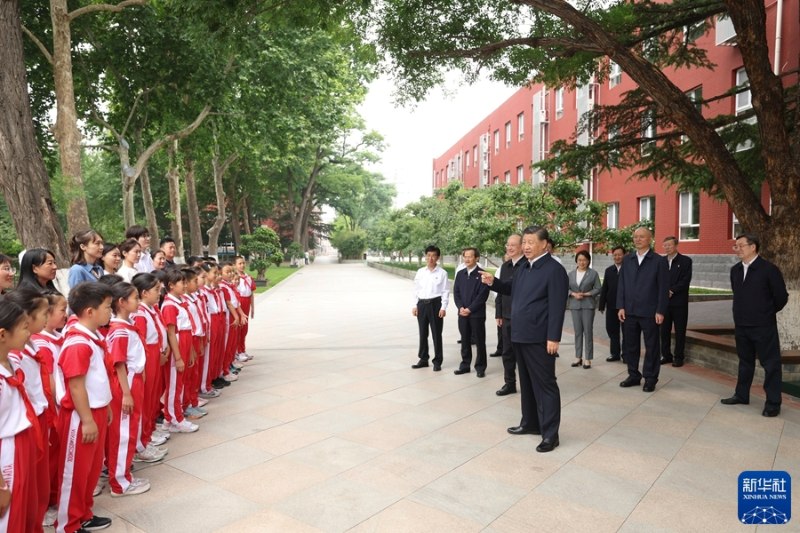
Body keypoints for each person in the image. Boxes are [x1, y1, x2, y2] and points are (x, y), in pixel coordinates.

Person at [482, 226, 569, 453]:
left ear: (544, 244)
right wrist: (493, 281)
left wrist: (553, 337)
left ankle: (550, 434)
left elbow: (558, 306)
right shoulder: (523, 268)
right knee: (527, 383)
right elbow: (510, 288)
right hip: (519, 334)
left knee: (545, 385)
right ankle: (530, 423)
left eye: (531, 242)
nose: (526, 246)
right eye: (525, 242)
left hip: (540, 338)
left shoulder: (553, 270)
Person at [53, 282, 114, 533]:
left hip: (95, 410)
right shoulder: (78, 343)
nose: (110, 311)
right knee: (74, 472)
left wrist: (105, 406)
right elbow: (76, 386)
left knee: (89, 469)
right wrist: (87, 419)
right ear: (90, 311)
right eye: (107, 307)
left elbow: (96, 379)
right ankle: (67, 525)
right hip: (81, 416)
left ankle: (83, 513)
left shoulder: (92, 336)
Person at [721, 233, 788, 417]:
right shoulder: (735, 270)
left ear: (753, 247)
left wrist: (765, 313)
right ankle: (741, 395)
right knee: (745, 362)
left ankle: (773, 402)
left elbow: (781, 297)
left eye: (741, 245)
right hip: (741, 325)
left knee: (771, 364)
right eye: (736, 246)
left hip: (763, 326)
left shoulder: (769, 269)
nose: (738, 249)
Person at [105, 282, 157, 497]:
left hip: (132, 381)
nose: (138, 301)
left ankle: (122, 473)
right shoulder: (119, 331)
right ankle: (120, 482)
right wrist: (126, 393)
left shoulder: (126, 327)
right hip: (126, 384)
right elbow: (118, 364)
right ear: (122, 303)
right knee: (123, 432)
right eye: (135, 298)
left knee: (130, 428)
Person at [6, 287, 51, 528]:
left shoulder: (28, 346)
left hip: (36, 419)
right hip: (20, 431)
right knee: (20, 498)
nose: (48, 316)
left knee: (36, 489)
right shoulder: (13, 356)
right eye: (44, 312)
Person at [0, 297, 40, 532]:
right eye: (25, 327)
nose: (30, 333)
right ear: (3, 334)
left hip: (21, 443)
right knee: (10, 513)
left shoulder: (10, 363)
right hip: (7, 451)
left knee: (26, 507)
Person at [617, 227, 669, 393]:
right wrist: (621, 306)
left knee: (652, 346)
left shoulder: (658, 261)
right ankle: (633, 375)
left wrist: (660, 310)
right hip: (630, 311)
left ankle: (650, 378)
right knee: (630, 346)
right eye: (635, 237)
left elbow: (663, 288)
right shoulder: (628, 259)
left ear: (650, 239)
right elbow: (622, 284)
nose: (638, 239)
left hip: (650, 312)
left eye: (641, 237)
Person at [160, 269, 199, 433]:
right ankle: (173, 418)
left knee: (179, 384)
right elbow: (171, 332)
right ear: (171, 285)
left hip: (184, 343)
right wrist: (177, 357)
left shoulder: (179, 302)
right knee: (174, 385)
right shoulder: (169, 305)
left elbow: (187, 328)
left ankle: (173, 417)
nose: (184, 285)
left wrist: (189, 352)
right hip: (177, 345)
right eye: (181, 283)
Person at [494, 235, 524, 396]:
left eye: (513, 245)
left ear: (521, 246)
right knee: (507, 352)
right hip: (506, 316)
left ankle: (528, 384)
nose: (510, 248)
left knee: (523, 354)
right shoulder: (505, 266)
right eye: (508, 245)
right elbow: (501, 290)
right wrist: (498, 313)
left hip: (522, 318)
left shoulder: (526, 265)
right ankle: (509, 383)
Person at [411, 245, 449, 371]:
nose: (430, 258)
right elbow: (416, 290)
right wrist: (414, 305)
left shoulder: (442, 273)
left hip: (435, 304)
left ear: (437, 257)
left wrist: (443, 307)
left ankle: (437, 361)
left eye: (433, 255)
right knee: (423, 333)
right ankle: (423, 359)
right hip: (422, 304)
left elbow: (445, 291)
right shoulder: (420, 272)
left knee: (436, 334)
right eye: (428, 255)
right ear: (425, 256)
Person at [453, 248, 490, 377]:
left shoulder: (483, 275)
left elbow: (482, 296)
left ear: (477, 258)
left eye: (470, 256)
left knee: (479, 341)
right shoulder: (460, 274)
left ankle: (480, 367)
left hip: (476, 314)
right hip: (462, 313)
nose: (467, 259)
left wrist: (470, 309)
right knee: (465, 340)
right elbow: (456, 293)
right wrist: (460, 307)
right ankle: (465, 365)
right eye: (465, 257)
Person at [660, 236, 693, 367]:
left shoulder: (685, 261)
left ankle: (679, 357)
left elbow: (686, 280)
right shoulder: (661, 261)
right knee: (664, 330)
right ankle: (666, 355)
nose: (667, 247)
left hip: (679, 302)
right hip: (664, 303)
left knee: (680, 330)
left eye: (669, 245)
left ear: (676, 245)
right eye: (665, 245)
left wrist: (671, 290)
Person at [567, 250, 601, 369]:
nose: (582, 262)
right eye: (580, 260)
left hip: (588, 305)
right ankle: (578, 357)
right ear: (576, 260)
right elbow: (566, 288)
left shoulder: (593, 273)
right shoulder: (571, 274)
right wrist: (573, 294)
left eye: (584, 260)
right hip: (575, 305)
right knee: (577, 332)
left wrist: (587, 294)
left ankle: (588, 358)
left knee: (588, 331)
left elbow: (598, 288)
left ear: (588, 261)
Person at [598, 246, 625, 362]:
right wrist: (601, 305)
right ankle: (615, 353)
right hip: (611, 306)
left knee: (627, 331)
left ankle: (627, 355)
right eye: (615, 255)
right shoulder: (609, 270)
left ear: (624, 255)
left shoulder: (628, 269)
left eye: (619, 254)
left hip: (625, 306)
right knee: (612, 330)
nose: (617, 257)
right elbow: (605, 288)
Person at [234, 256, 255, 362]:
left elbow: (251, 294)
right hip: (239, 302)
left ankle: (242, 349)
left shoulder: (248, 277)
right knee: (239, 329)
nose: (242, 265)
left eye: (243, 263)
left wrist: (253, 308)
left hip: (246, 302)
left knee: (245, 329)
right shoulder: (235, 278)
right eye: (239, 263)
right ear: (235, 265)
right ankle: (238, 351)